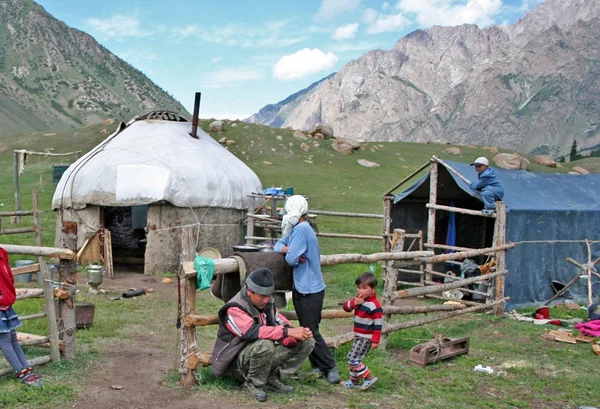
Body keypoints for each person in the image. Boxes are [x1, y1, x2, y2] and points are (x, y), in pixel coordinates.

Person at [212, 268, 315, 402]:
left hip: (259, 355)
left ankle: (272, 376)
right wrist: (286, 332)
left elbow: (281, 323)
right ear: (249, 291)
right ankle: (252, 383)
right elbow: (251, 332)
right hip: (235, 363)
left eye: (268, 295)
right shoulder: (234, 308)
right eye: (262, 296)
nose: (266, 300)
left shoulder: (268, 303)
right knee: (265, 343)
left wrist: (295, 336)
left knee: (307, 341)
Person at [274, 195, 341, 384]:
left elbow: (290, 260)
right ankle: (318, 366)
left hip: (310, 289)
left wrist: (291, 252)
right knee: (308, 329)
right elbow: (279, 245)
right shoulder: (298, 229)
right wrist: (290, 249)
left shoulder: (302, 230)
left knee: (311, 330)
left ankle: (330, 366)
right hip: (303, 287)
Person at [0, 248, 43, 388]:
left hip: (5, 301)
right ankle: (22, 372)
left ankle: (26, 368)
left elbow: (8, 275)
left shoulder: (2, 252)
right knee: (4, 339)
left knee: (12, 337)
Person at [340, 272, 382, 390]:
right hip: (358, 336)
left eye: (364, 288)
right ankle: (354, 381)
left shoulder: (374, 306)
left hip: (366, 338)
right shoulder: (359, 300)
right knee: (352, 357)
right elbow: (346, 308)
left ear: (373, 289)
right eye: (359, 288)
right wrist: (354, 302)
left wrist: (375, 341)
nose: (360, 291)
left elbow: (378, 325)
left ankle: (369, 377)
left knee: (353, 359)